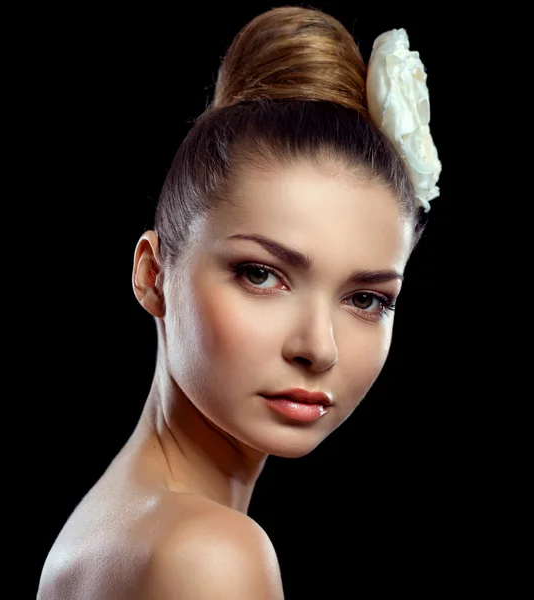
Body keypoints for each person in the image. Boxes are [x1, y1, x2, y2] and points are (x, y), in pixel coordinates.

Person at [37, 5, 441, 599]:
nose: (318, 348)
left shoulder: (108, 530)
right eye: (261, 275)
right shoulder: (209, 554)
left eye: (366, 299)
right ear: (152, 273)